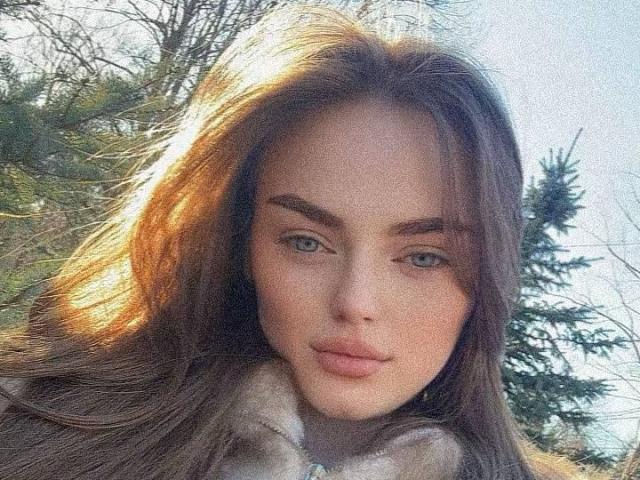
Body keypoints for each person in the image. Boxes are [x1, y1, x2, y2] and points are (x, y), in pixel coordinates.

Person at [0, 4, 574, 479]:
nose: (356, 303)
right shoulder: (31, 418)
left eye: (424, 257)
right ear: (240, 242)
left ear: (486, 281)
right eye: (306, 242)